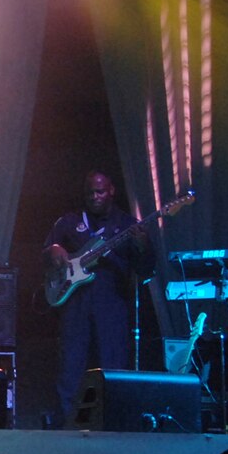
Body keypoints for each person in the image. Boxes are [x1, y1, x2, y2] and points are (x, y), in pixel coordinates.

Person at [44, 171, 159, 425]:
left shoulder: (127, 224)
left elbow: (146, 270)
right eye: (90, 193)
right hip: (75, 302)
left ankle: (113, 422)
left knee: (113, 364)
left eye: (100, 191)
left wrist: (142, 246)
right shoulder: (69, 221)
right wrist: (55, 249)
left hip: (111, 301)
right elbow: (48, 249)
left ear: (111, 191)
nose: (95, 197)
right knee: (71, 366)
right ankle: (67, 424)